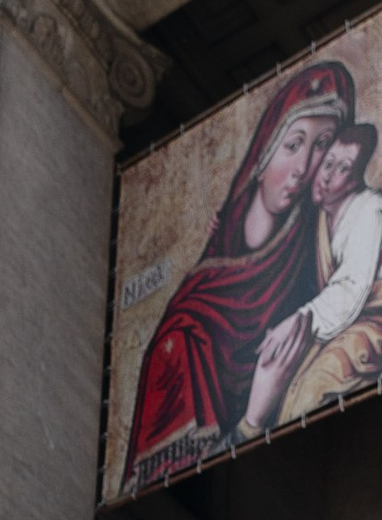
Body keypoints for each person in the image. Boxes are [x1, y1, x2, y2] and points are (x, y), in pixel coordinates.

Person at [119, 58, 353, 493]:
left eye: (322, 145)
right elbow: (171, 485)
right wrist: (252, 420)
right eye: (293, 144)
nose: (304, 167)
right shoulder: (183, 335)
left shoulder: (311, 243)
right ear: (262, 153)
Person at [249, 120, 382, 435]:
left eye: (343, 169)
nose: (327, 176)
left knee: (311, 389)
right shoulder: (324, 214)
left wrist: (295, 323)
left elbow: (351, 291)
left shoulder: (369, 211)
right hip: (353, 316)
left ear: (356, 179)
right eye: (328, 163)